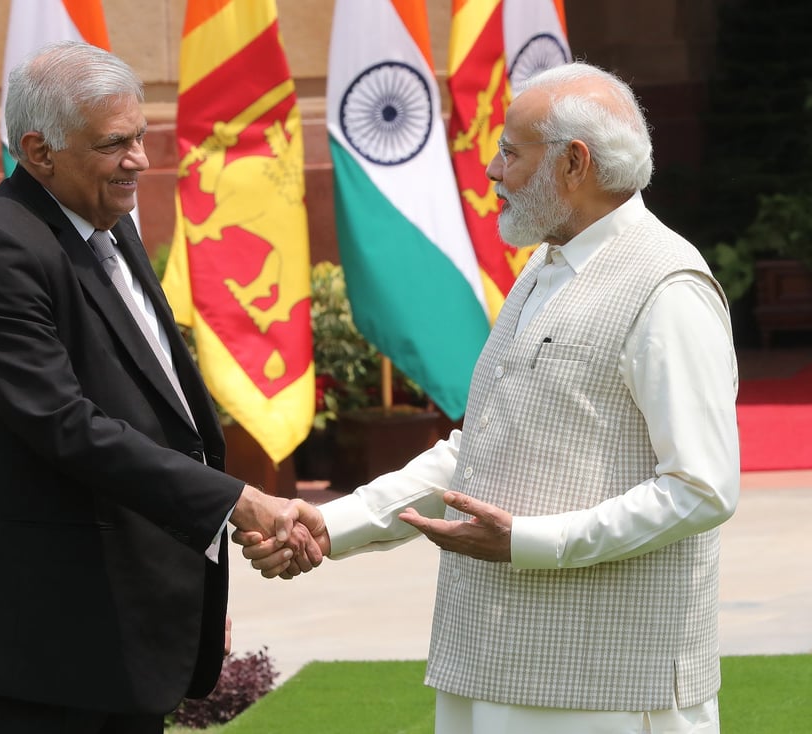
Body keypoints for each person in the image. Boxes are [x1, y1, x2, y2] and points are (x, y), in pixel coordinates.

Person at [238, 61, 740, 733]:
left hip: (609, 691)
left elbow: (703, 489)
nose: (493, 170)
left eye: (511, 151)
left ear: (574, 164)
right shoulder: (546, 264)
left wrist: (533, 540)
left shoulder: (667, 288)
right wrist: (336, 524)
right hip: (489, 664)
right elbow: (479, 450)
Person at [0, 40, 318, 734]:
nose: (140, 161)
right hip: (28, 650)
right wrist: (236, 503)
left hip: (112, 632)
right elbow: (67, 425)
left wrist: (187, 580)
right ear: (39, 151)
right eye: (114, 144)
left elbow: (158, 411)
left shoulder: (106, 221)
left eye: (141, 137)